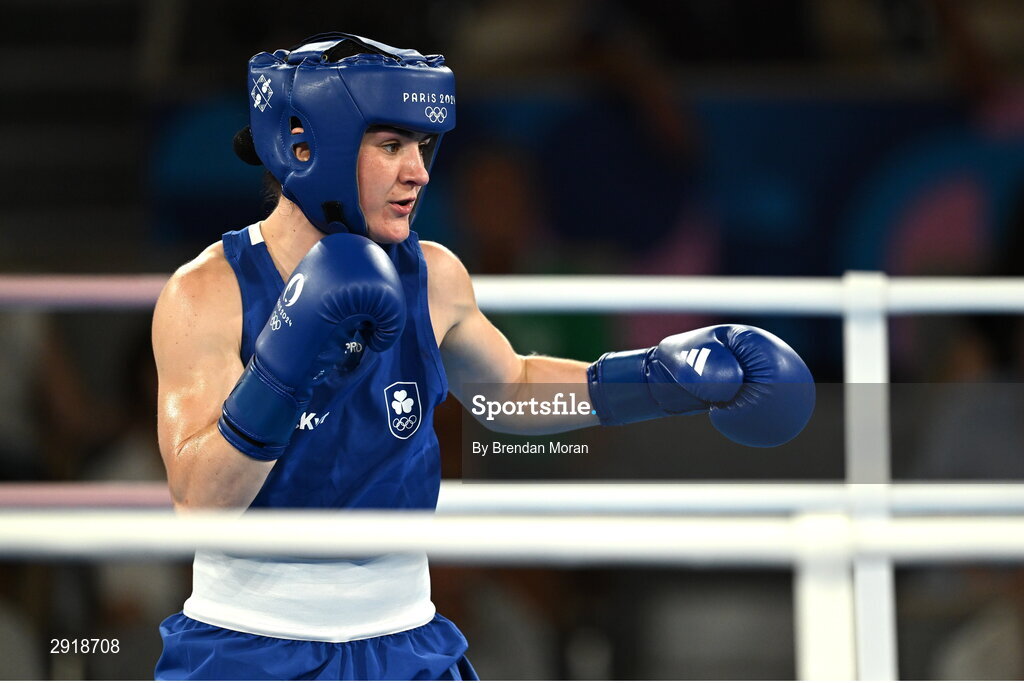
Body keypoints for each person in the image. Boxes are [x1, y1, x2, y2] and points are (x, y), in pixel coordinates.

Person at [151, 32, 815, 681]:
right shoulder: (207, 293)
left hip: (404, 641)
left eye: (423, 146)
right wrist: (286, 359)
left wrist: (658, 379)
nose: (418, 172)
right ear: (304, 147)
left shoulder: (434, 276)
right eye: (391, 145)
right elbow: (201, 501)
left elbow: (511, 389)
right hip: (251, 645)